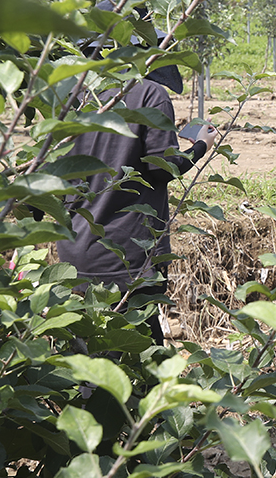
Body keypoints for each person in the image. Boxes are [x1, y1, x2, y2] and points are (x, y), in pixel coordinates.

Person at [58, 59, 217, 345]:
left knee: (83, 357)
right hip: (127, 255)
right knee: (140, 361)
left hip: (74, 255)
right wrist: (200, 146)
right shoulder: (149, 94)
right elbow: (164, 166)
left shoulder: (73, 93)